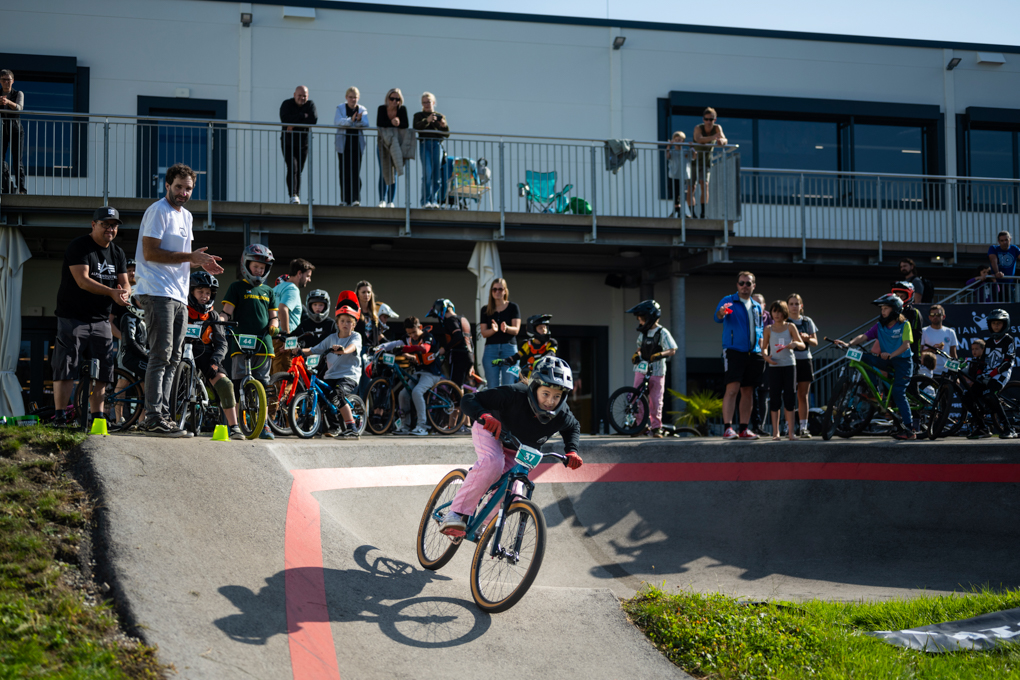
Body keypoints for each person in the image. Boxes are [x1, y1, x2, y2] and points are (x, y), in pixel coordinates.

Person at [439, 356, 583, 537]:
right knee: (492, 462)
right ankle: (455, 513)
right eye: (545, 394)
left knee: (514, 492)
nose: (550, 401)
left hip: (516, 449)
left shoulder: (562, 414)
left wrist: (572, 450)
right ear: (535, 387)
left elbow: (573, 427)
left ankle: (483, 524)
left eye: (557, 396)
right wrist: (485, 415)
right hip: (490, 431)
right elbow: (469, 400)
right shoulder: (514, 394)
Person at [135, 163, 224, 437]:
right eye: (179, 187)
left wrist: (202, 263)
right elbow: (151, 253)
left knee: (174, 356)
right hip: (157, 290)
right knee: (161, 354)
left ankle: (163, 415)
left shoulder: (186, 216)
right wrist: (190, 257)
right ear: (167, 185)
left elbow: (184, 257)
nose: (183, 193)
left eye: (188, 189)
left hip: (178, 293)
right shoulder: (157, 211)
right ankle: (153, 416)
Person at [52, 207, 131, 425]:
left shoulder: (118, 253)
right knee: (66, 367)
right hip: (72, 317)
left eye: (114, 225)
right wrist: (111, 292)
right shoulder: (79, 246)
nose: (110, 229)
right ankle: (60, 417)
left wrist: (125, 292)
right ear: (93, 224)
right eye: (105, 224)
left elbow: (125, 282)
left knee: (104, 370)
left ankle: (98, 417)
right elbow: (82, 280)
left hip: (101, 320)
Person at [833, 293, 916, 440]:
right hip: (887, 360)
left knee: (898, 392)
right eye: (882, 308)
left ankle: (910, 429)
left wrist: (891, 354)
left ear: (895, 310)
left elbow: (906, 345)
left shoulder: (905, 324)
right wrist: (848, 344)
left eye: (886, 308)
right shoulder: (879, 326)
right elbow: (864, 336)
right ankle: (874, 392)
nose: (882, 311)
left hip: (903, 361)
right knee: (863, 358)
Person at [220, 244, 278, 440]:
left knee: (263, 384)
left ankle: (264, 426)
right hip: (240, 342)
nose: (259, 271)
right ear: (246, 265)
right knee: (238, 386)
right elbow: (226, 312)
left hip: (263, 344)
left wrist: (274, 325)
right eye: (256, 266)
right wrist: (220, 322)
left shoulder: (269, 291)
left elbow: (273, 316)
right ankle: (234, 425)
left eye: (262, 268)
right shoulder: (236, 287)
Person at [187, 271, 244, 440]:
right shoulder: (181, 310)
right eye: (200, 292)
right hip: (183, 353)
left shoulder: (213, 315)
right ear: (190, 291)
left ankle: (234, 427)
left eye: (208, 293)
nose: (205, 296)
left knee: (226, 384)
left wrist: (215, 360)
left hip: (206, 355)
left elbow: (221, 344)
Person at [297, 291, 362, 438]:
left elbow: (353, 347)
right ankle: (330, 427)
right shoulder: (331, 338)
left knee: (337, 394)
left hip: (348, 376)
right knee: (320, 397)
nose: (346, 324)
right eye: (342, 321)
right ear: (337, 322)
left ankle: (352, 427)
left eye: (349, 321)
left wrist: (344, 350)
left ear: (354, 324)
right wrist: (299, 350)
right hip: (331, 375)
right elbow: (314, 349)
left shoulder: (356, 336)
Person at [714, 272, 765, 440]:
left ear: (753, 286)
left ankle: (744, 428)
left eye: (748, 283)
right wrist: (722, 312)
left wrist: (763, 349)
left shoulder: (757, 307)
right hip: (734, 350)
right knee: (732, 389)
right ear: (737, 285)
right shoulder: (729, 301)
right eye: (742, 283)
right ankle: (728, 428)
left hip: (754, 352)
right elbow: (718, 317)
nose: (745, 286)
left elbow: (759, 330)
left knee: (748, 390)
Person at [373, 316, 442, 436]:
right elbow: (393, 344)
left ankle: (422, 426)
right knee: (403, 394)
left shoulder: (427, 336)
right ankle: (405, 426)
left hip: (432, 373)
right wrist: (378, 348)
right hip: (418, 372)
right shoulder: (407, 338)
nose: (413, 336)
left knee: (417, 392)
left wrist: (405, 348)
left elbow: (425, 349)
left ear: (420, 327)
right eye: (409, 333)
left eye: (414, 332)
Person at [960, 310, 1016, 439]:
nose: (996, 326)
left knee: (989, 396)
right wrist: (979, 374)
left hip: (1000, 375)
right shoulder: (989, 341)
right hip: (986, 375)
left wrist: (991, 375)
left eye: (999, 323)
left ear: (1005, 324)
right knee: (967, 397)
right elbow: (983, 361)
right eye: (993, 323)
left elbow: (1008, 362)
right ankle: (982, 428)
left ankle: (1009, 428)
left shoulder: (1008, 340)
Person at [627, 301, 677, 439]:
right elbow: (639, 346)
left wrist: (660, 354)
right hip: (642, 368)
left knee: (655, 399)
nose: (640, 322)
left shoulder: (662, 332)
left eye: (642, 319)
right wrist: (636, 354)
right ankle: (640, 425)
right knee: (636, 396)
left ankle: (656, 427)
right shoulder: (643, 333)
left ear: (650, 318)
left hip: (657, 370)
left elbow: (672, 349)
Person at [762, 300, 805, 442]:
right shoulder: (768, 328)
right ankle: (776, 432)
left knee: (790, 398)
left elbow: (802, 345)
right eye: (774, 311)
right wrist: (767, 358)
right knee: (774, 399)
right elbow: (764, 348)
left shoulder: (790, 326)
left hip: (789, 366)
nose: (777, 314)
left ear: (784, 313)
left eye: (780, 311)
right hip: (774, 366)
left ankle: (791, 433)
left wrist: (794, 344)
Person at [272, 258, 315, 375]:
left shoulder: (276, 288)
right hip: (282, 341)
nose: (309, 280)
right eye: (308, 276)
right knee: (286, 382)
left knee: (273, 382)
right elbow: (282, 309)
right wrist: (287, 337)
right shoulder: (292, 289)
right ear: (299, 273)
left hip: (272, 338)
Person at [479, 278, 521, 388]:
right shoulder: (485, 309)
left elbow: (516, 330)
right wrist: (493, 330)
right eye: (494, 289)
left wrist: (506, 328)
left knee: (509, 386)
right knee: (492, 387)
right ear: (491, 291)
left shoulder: (513, 307)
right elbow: (483, 333)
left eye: (500, 289)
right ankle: (494, 406)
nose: (497, 292)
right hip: (490, 350)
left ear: (505, 291)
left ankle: (508, 406)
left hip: (509, 349)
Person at [787, 293, 818, 438]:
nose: (794, 307)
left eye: (796, 304)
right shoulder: (784, 321)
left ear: (801, 306)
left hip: (805, 359)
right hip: (788, 360)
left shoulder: (807, 321)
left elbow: (815, 342)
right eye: (791, 304)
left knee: (803, 395)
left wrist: (807, 338)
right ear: (787, 306)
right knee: (789, 394)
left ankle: (804, 427)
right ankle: (789, 426)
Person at [279, 85, 318, 204]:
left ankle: (296, 195)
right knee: (292, 167)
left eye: (304, 96)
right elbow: (285, 119)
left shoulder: (310, 105)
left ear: (308, 96)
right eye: (299, 95)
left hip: (303, 144)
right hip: (288, 143)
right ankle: (293, 195)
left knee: (298, 170)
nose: (302, 98)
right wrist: (302, 116)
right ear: (294, 95)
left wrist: (294, 123)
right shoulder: (287, 104)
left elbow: (313, 120)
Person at [113, 295, 147, 427]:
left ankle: (142, 420)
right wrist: (125, 338)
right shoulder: (127, 313)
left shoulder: (146, 315)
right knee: (123, 381)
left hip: (142, 350)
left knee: (145, 383)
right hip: (128, 350)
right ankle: (118, 419)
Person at [413, 92, 450, 208]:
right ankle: (425, 201)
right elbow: (416, 127)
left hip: (437, 144)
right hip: (425, 144)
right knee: (427, 172)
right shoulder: (418, 115)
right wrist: (427, 120)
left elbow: (447, 134)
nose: (426, 104)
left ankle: (434, 200)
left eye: (428, 102)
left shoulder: (439, 115)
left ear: (433, 102)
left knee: (436, 175)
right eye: (424, 102)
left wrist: (443, 125)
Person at [689, 107, 727, 219]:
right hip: (693, 161)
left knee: (704, 185)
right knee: (692, 187)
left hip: (706, 161)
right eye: (706, 119)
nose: (709, 122)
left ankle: (703, 213)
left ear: (715, 119)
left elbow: (724, 139)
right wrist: (714, 137)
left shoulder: (717, 128)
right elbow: (699, 139)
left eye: (711, 119)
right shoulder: (698, 128)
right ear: (703, 119)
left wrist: (721, 141)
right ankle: (692, 213)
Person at [376, 88, 411, 207]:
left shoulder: (402, 109)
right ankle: (382, 199)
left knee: (394, 172)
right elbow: (379, 123)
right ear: (388, 99)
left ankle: (391, 201)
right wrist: (391, 122)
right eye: (392, 98)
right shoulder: (382, 109)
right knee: (383, 171)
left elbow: (406, 124)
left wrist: (398, 122)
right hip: (383, 143)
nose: (394, 101)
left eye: (397, 99)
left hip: (396, 144)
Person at [334, 87, 369, 206]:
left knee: (355, 172)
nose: (353, 100)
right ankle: (345, 199)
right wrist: (351, 120)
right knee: (344, 172)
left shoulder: (362, 109)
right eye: (350, 97)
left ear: (358, 98)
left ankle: (355, 199)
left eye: (355, 97)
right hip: (343, 145)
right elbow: (338, 122)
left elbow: (366, 123)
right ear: (346, 98)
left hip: (356, 145)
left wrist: (358, 121)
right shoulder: (340, 108)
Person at [496, 314, 558, 380]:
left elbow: (551, 354)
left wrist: (542, 360)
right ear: (532, 330)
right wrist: (504, 360)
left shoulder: (551, 342)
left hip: (547, 376)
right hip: (531, 377)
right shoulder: (527, 344)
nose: (544, 330)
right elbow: (516, 356)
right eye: (540, 328)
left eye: (545, 327)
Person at [429, 298, 474, 387]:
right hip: (468, 354)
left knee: (455, 386)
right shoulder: (463, 319)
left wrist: (444, 349)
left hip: (458, 355)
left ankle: (459, 401)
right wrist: (472, 362)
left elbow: (458, 336)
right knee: (462, 384)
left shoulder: (450, 320)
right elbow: (470, 342)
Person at [0, 70, 26, 195]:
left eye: (8, 80)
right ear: (0, 81)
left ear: (13, 81)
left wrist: (8, 102)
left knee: (17, 160)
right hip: (1, 130)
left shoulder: (18, 93)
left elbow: (19, 108)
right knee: (0, 159)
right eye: (4, 79)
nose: (6, 82)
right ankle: (3, 186)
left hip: (15, 130)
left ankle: (21, 189)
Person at [919, 304, 958, 376]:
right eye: (932, 314)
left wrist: (955, 375)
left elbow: (953, 355)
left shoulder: (950, 332)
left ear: (943, 316)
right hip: (927, 371)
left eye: (938, 314)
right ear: (929, 317)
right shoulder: (923, 331)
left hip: (945, 372)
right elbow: (919, 353)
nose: (935, 317)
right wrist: (932, 349)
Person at [891, 281, 924, 359]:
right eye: (897, 296)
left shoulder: (914, 313)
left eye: (902, 296)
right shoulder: (890, 311)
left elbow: (916, 335)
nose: (899, 299)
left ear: (909, 296)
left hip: (910, 355)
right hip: (891, 352)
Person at [665, 131, 691, 218]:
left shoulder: (686, 151)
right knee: (675, 193)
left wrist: (692, 147)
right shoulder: (672, 151)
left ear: (683, 141)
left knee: (681, 193)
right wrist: (668, 146)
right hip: (673, 175)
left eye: (679, 140)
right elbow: (667, 156)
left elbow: (694, 157)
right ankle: (679, 211)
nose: (678, 141)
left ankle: (678, 211)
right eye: (676, 140)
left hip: (683, 176)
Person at [988, 231, 1020, 302]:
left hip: (1009, 284)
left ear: (1010, 239)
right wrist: (997, 273)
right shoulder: (993, 248)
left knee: (1009, 306)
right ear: (998, 241)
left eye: (1006, 240)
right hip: (996, 284)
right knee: (996, 306)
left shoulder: (1014, 249)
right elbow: (993, 260)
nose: (1004, 242)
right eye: (1002, 240)